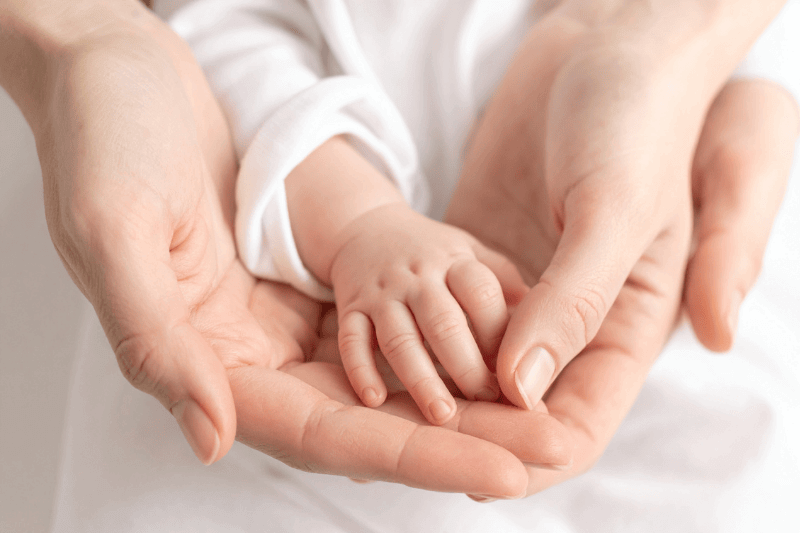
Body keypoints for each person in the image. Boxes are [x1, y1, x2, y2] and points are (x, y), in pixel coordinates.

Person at [0, 0, 795, 520]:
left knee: (724, 470)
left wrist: (736, 60)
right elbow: (223, 29)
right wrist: (357, 220)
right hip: (285, 324)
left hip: (646, 235)